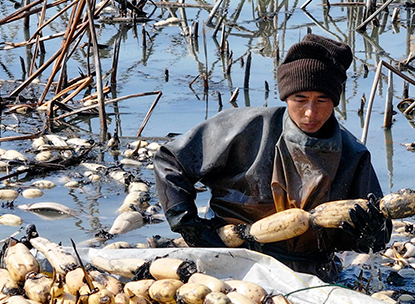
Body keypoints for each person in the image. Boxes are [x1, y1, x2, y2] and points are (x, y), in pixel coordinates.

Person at [153, 33, 392, 281]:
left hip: (312, 272)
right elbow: (169, 160)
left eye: (322, 100)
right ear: (286, 97)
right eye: (300, 99)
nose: (311, 112)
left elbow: (374, 236)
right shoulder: (246, 127)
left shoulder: (353, 154)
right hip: (232, 257)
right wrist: (188, 224)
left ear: (334, 102)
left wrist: (372, 234)